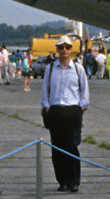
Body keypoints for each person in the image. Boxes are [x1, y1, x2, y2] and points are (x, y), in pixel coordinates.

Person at [38, 40, 89, 191]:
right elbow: (45, 88)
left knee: (72, 146)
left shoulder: (78, 69)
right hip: (56, 110)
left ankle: (74, 181)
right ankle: (63, 181)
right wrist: (46, 106)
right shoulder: (51, 68)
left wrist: (82, 107)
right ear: (57, 49)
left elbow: (84, 90)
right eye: (61, 48)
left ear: (71, 49)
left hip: (72, 110)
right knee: (57, 148)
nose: (64, 50)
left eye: (67, 47)